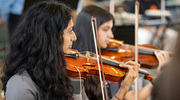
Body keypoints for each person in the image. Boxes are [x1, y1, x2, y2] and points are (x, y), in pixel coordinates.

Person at [1, 1, 140, 100]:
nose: (74, 37)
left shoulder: (69, 73)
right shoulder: (21, 85)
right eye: (69, 31)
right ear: (50, 37)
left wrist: (123, 89)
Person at [72, 5, 170, 100]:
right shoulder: (76, 66)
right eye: (106, 29)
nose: (111, 35)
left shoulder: (112, 61)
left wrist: (157, 77)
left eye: (111, 29)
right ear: (89, 30)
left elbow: (131, 98)